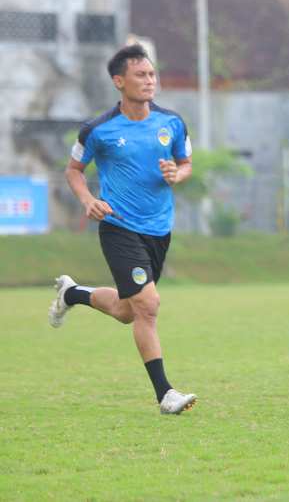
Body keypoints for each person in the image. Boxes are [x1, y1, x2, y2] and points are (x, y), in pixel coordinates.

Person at [49, 44, 197, 415]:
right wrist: (87, 201)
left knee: (127, 311)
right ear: (119, 81)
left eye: (152, 74)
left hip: (159, 230)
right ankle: (165, 394)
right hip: (118, 227)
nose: (150, 81)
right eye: (141, 75)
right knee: (148, 306)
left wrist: (176, 174)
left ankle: (73, 294)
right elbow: (73, 171)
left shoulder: (172, 122)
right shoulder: (97, 130)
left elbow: (186, 163)